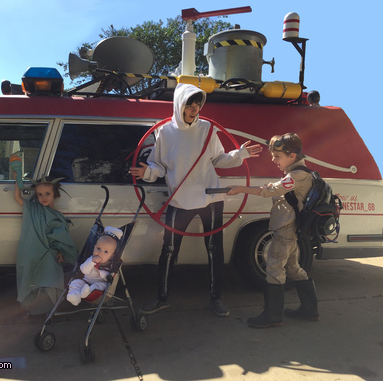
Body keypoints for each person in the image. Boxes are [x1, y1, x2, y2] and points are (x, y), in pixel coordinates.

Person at [129, 83, 262, 316]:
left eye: (197, 105)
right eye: (189, 104)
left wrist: (239, 154)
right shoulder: (165, 133)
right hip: (179, 200)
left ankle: (216, 298)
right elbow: (158, 165)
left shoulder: (208, 129)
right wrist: (147, 173)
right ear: (179, 104)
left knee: (214, 249)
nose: (194, 109)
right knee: (169, 250)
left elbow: (218, 159)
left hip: (210, 196)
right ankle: (162, 298)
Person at [227, 132, 319, 328]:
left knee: (274, 268)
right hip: (290, 229)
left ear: (292, 156)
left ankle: (272, 315)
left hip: (286, 229)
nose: (273, 160)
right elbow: (280, 189)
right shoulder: (298, 173)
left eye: (277, 156)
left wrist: (240, 189)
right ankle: (310, 310)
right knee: (293, 268)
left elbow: (269, 191)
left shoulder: (297, 175)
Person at [11, 155, 77, 316]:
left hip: (50, 255)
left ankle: (48, 309)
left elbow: (61, 238)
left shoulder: (57, 215)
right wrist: (17, 177)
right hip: (33, 252)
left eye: (47, 194)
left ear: (55, 194)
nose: (43, 198)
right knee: (33, 281)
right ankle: (33, 309)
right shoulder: (33, 209)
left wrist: (61, 252)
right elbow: (18, 198)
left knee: (49, 281)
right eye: (39, 194)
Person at [66, 226, 124, 306]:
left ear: (111, 256)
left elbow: (109, 277)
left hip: (99, 284)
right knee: (75, 283)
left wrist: (102, 273)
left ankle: (87, 292)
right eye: (98, 248)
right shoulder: (91, 259)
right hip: (86, 281)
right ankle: (74, 297)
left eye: (106, 252)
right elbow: (84, 270)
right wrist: (91, 262)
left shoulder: (111, 265)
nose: (100, 253)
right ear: (94, 247)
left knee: (97, 286)